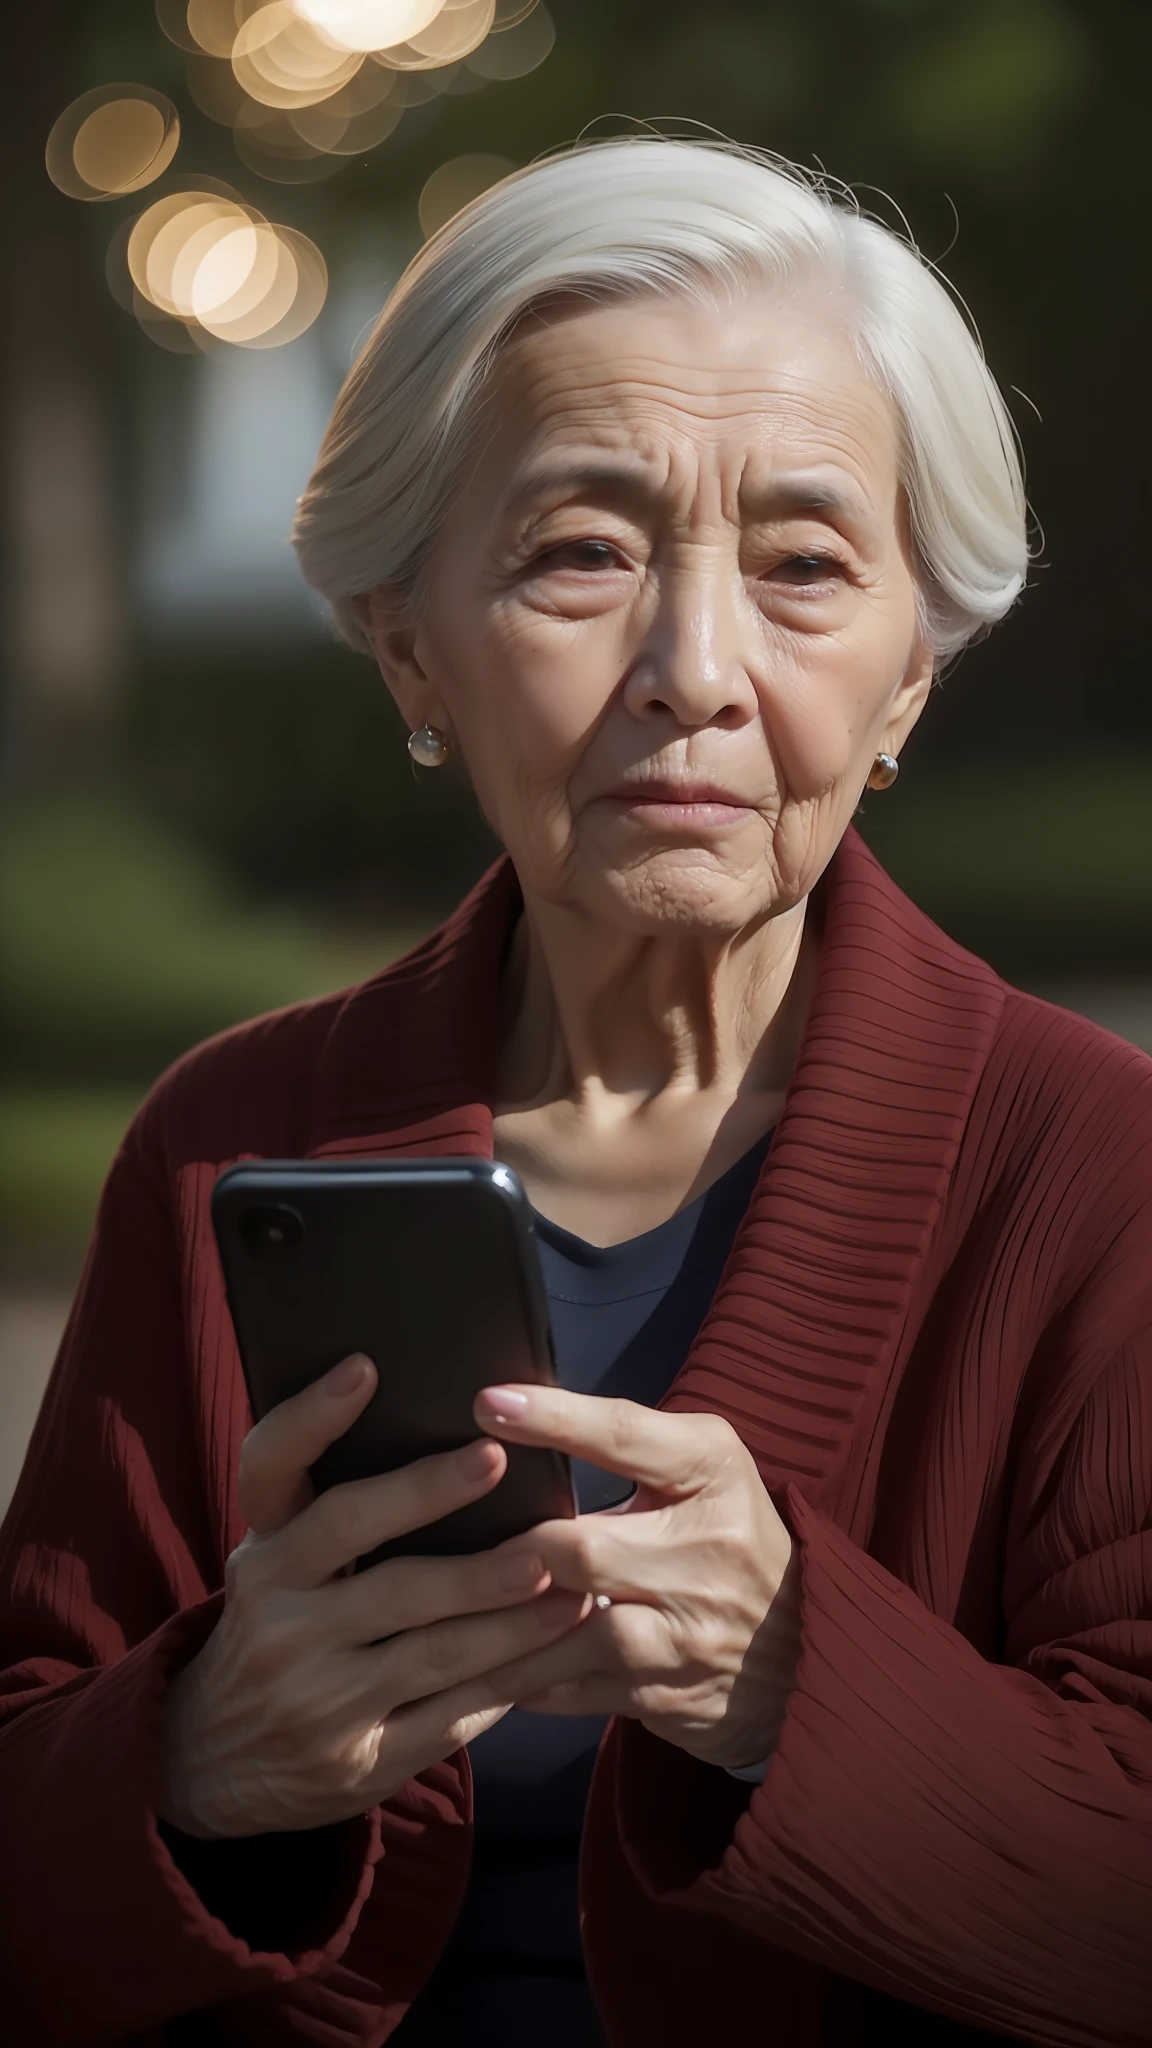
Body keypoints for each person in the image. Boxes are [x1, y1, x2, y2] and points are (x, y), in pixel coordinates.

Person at [2, 138, 1149, 2048]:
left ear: (909, 682)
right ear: (406, 641)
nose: (692, 671)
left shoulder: (1097, 1168)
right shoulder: (232, 1144)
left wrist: (796, 1680)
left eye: (802, 565)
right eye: (579, 553)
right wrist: (196, 1758)